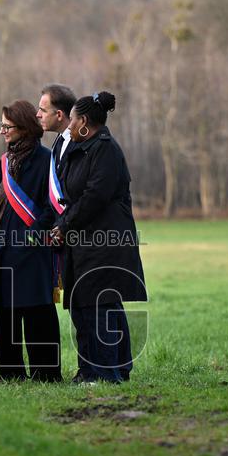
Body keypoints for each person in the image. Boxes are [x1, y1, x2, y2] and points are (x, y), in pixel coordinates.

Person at [49, 91, 146, 384]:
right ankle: (93, 370)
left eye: (73, 121)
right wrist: (64, 224)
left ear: (84, 123)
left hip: (104, 242)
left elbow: (94, 196)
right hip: (82, 242)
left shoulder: (105, 150)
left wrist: (64, 225)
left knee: (100, 306)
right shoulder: (82, 149)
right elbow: (70, 196)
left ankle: (108, 374)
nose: (68, 127)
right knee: (83, 306)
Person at [0, 100, 62, 382]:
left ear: (25, 128)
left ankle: (46, 375)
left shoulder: (46, 159)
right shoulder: (3, 162)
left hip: (33, 249)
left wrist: (33, 235)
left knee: (38, 310)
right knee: (5, 313)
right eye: (1, 125)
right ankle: (11, 374)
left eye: (7, 126)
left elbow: (53, 205)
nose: (2, 131)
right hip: (2, 250)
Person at [36, 84, 76, 175]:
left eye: (43, 110)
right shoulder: (59, 140)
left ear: (59, 115)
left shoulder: (80, 144)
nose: (38, 115)